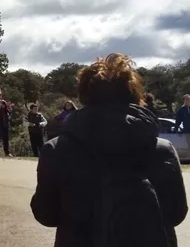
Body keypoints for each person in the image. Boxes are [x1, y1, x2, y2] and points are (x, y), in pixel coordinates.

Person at [30, 53, 187, 246]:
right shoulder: (162, 149)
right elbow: (177, 213)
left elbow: (46, 215)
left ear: (84, 95)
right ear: (134, 93)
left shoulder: (56, 150)